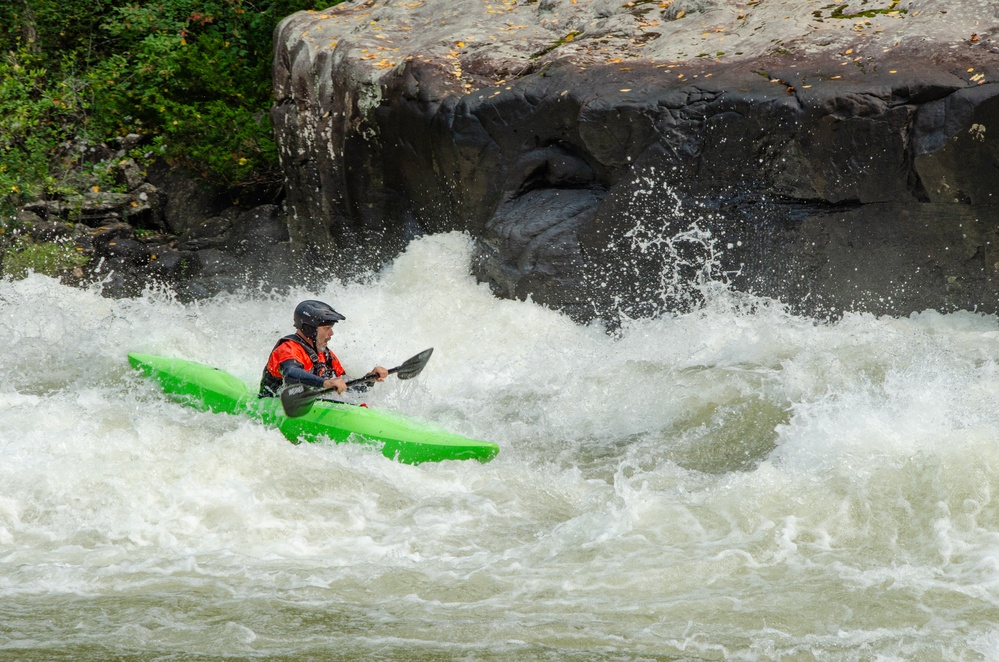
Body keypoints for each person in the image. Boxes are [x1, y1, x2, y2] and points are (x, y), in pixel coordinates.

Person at [259, 300, 388, 398]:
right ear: (309, 328)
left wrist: (370, 378)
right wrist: (325, 382)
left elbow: (347, 387)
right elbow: (290, 374)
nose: (331, 333)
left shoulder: (326, 355)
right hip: (273, 403)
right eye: (327, 328)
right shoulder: (288, 348)